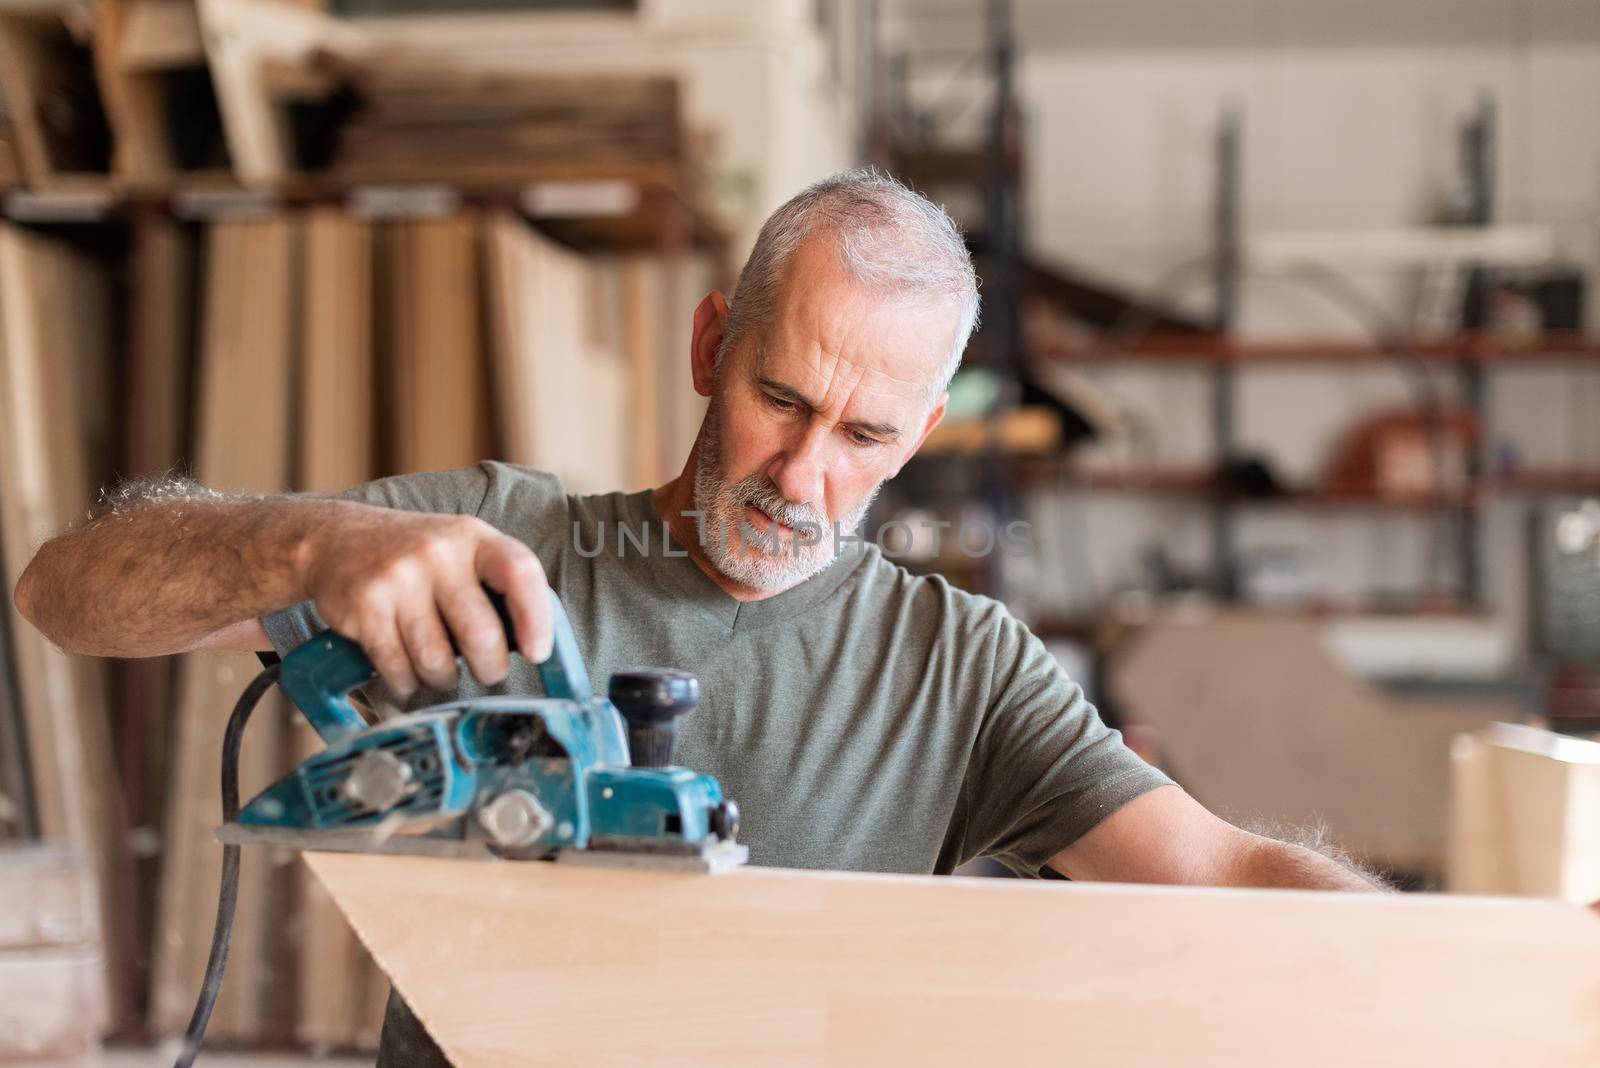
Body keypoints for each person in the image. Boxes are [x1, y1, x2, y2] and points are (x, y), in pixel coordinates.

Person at [14, 169, 1383, 1065]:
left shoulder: (958, 672)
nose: (804, 477)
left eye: (862, 433)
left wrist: (1482, 975)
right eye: (780, 399)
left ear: (921, 440)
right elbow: (66, 593)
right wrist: (316, 538)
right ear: (708, 346)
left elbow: (1228, 881)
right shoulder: (497, 545)